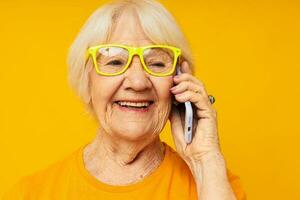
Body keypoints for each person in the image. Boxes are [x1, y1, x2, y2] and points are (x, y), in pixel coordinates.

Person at [3, 0, 246, 199]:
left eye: (157, 63)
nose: (138, 83)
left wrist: (205, 160)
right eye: (115, 62)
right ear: (86, 81)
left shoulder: (214, 186)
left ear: (180, 81)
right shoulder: (32, 193)